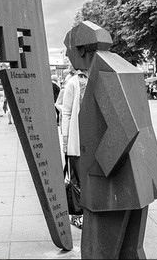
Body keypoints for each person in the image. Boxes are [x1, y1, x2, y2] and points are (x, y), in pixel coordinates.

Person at [64, 21, 157, 259]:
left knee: (97, 253)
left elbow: (123, 130)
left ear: (80, 49)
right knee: (131, 251)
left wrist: (97, 171)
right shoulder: (124, 67)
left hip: (113, 185)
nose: (68, 56)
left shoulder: (102, 72)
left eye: (68, 50)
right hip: (140, 179)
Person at [61, 69, 88, 229]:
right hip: (77, 140)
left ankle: (87, 212)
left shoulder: (95, 77)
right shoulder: (73, 82)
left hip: (92, 140)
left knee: (88, 179)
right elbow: (66, 112)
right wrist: (66, 140)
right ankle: (77, 215)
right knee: (76, 179)